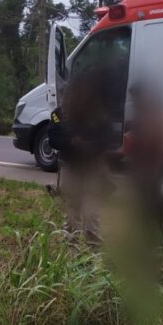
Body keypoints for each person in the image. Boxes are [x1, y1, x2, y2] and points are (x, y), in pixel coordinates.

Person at [48, 74, 112, 245]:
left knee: (92, 214)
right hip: (71, 166)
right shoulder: (59, 115)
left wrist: (91, 145)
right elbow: (53, 138)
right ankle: (71, 253)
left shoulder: (98, 113)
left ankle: (94, 255)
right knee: (71, 214)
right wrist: (72, 143)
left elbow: (107, 138)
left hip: (92, 168)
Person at [126, 81, 163, 270]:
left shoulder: (161, 116)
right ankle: (147, 260)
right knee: (144, 219)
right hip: (147, 178)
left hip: (160, 179)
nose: (134, 103)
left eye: (135, 99)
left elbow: (161, 150)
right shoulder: (145, 115)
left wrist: (150, 179)